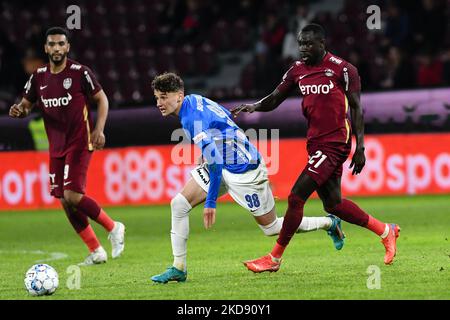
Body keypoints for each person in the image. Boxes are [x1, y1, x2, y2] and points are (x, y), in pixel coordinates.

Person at [232, 24, 400, 273]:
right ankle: (386, 230)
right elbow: (275, 97)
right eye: (300, 43)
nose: (303, 49)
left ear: (322, 43)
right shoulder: (297, 70)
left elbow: (356, 108)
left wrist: (360, 146)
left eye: (308, 44)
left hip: (334, 144)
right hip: (315, 143)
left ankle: (274, 259)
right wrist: (255, 106)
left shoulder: (343, 69)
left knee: (295, 196)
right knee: (334, 205)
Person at [150, 72, 345, 284]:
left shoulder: (189, 119)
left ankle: (329, 223)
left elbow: (215, 164)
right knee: (179, 204)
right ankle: (179, 268)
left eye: (163, 97)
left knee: (271, 228)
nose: (159, 103)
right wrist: (210, 147)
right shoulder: (194, 99)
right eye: (157, 97)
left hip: (245, 170)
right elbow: (224, 116)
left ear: (178, 96)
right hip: (223, 163)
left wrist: (211, 202)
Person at [9, 27, 125, 265]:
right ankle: (96, 251)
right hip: (56, 147)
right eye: (52, 44)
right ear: (46, 48)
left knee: (73, 195)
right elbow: (26, 105)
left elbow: (102, 99)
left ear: (67, 47)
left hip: (80, 141)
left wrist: (99, 129)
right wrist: (19, 110)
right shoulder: (38, 76)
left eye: (61, 43)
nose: (57, 48)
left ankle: (114, 227)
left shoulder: (80, 72)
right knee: (64, 199)